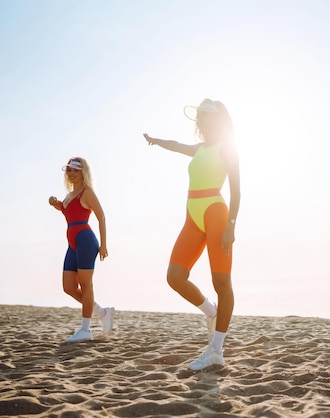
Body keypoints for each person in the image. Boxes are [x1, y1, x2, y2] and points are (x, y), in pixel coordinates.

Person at [143, 98, 240, 370]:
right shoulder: (199, 149)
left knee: (221, 281)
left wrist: (231, 224)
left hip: (216, 212)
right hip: (192, 214)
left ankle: (216, 350)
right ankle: (210, 313)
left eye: (206, 116)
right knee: (175, 276)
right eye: (200, 117)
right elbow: (176, 146)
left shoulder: (227, 148)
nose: (201, 121)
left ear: (217, 120)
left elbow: (237, 189)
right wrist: (155, 140)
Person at [48, 157, 115, 342]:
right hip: (72, 243)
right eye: (68, 170)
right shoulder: (70, 194)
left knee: (86, 287)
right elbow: (68, 210)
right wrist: (57, 204)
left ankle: (86, 330)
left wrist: (104, 244)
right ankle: (102, 312)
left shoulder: (87, 192)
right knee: (69, 287)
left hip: (86, 240)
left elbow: (101, 217)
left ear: (83, 172)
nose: (71, 174)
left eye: (75, 170)